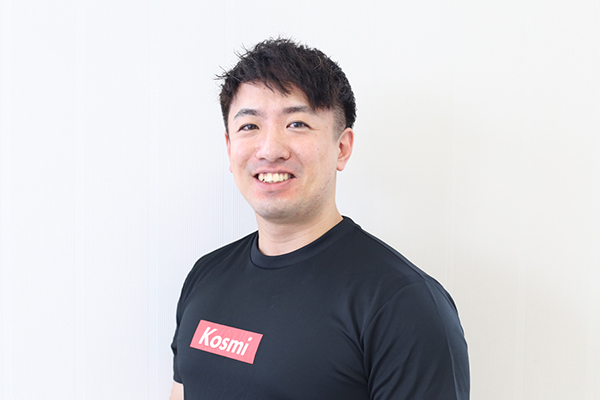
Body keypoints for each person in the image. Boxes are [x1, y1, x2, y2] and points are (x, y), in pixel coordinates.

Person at [169, 38, 469, 400]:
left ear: (342, 148)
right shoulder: (206, 276)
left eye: (297, 123)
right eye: (249, 126)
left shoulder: (402, 303)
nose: (270, 149)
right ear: (230, 147)